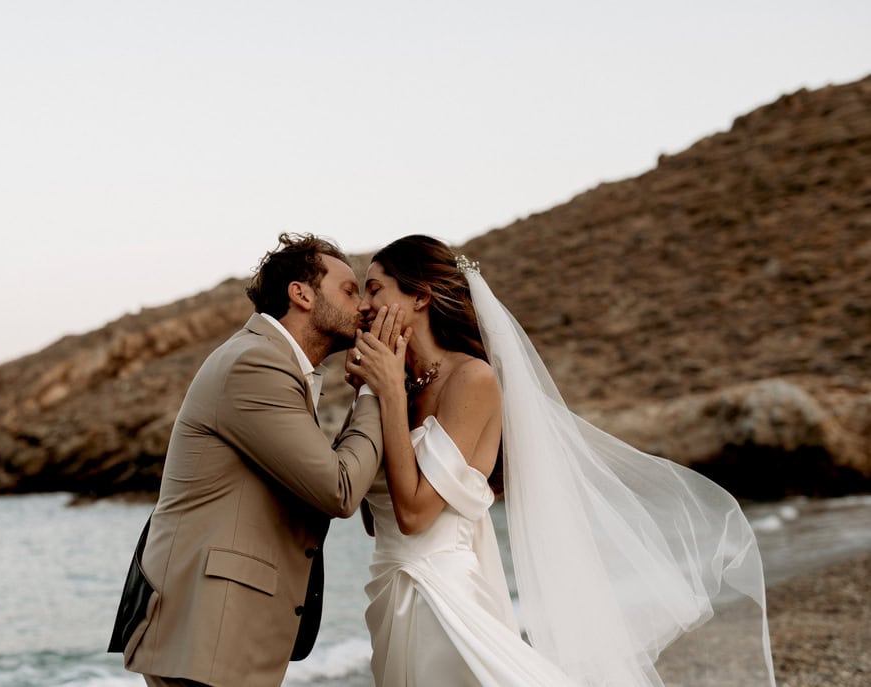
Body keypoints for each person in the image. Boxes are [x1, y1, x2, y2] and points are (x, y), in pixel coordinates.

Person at [348, 235, 776, 687]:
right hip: (390, 587)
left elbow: (414, 515)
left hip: (441, 594)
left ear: (420, 296)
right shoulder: (397, 386)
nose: (363, 306)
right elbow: (374, 518)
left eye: (375, 289)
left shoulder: (471, 379)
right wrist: (369, 394)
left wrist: (389, 392)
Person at [108, 233, 403, 687]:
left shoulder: (272, 362)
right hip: (209, 635)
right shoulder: (256, 364)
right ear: (301, 294)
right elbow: (339, 489)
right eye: (348, 290)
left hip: (223, 637)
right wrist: (375, 390)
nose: (363, 306)